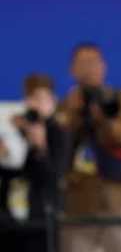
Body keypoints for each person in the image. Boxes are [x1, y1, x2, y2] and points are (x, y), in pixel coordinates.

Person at [59, 43, 121, 252]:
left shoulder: (120, 100)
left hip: (119, 200)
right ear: (72, 69)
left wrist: (106, 121)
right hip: (78, 204)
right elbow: (59, 152)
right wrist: (72, 115)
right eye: (83, 63)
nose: (89, 68)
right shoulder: (66, 105)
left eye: (93, 62)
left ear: (103, 66)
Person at [10, 73, 70, 222]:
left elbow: (56, 174)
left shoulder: (59, 130)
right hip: (28, 206)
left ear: (53, 101)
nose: (34, 104)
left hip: (50, 209)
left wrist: (41, 146)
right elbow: (25, 172)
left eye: (40, 99)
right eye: (30, 98)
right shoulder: (26, 128)